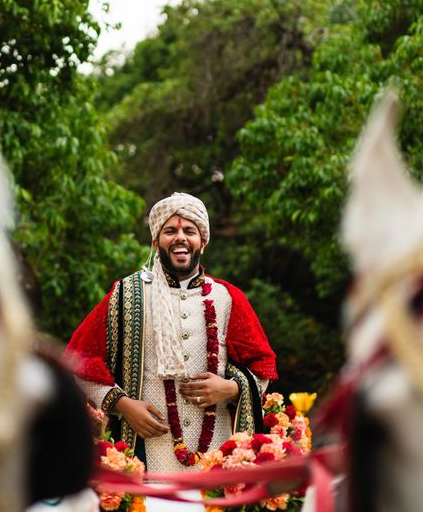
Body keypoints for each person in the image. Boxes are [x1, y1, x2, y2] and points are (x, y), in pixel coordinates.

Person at [65, 192, 277, 472]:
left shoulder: (228, 298)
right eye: (170, 231)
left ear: (203, 241)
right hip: (144, 461)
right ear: (156, 240)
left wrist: (231, 388)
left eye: (189, 231)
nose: (180, 238)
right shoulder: (127, 295)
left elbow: (263, 369)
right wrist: (123, 405)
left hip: (217, 462)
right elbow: (78, 362)